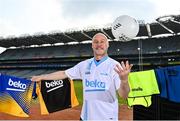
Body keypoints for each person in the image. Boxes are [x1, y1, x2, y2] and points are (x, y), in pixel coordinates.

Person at [31, 33, 133, 120]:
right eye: (96, 42)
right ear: (92, 45)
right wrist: (42, 77)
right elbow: (64, 74)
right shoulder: (84, 65)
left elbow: (124, 95)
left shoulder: (115, 66)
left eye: (102, 41)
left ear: (107, 44)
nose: (99, 44)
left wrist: (124, 80)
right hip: (85, 117)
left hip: (106, 118)